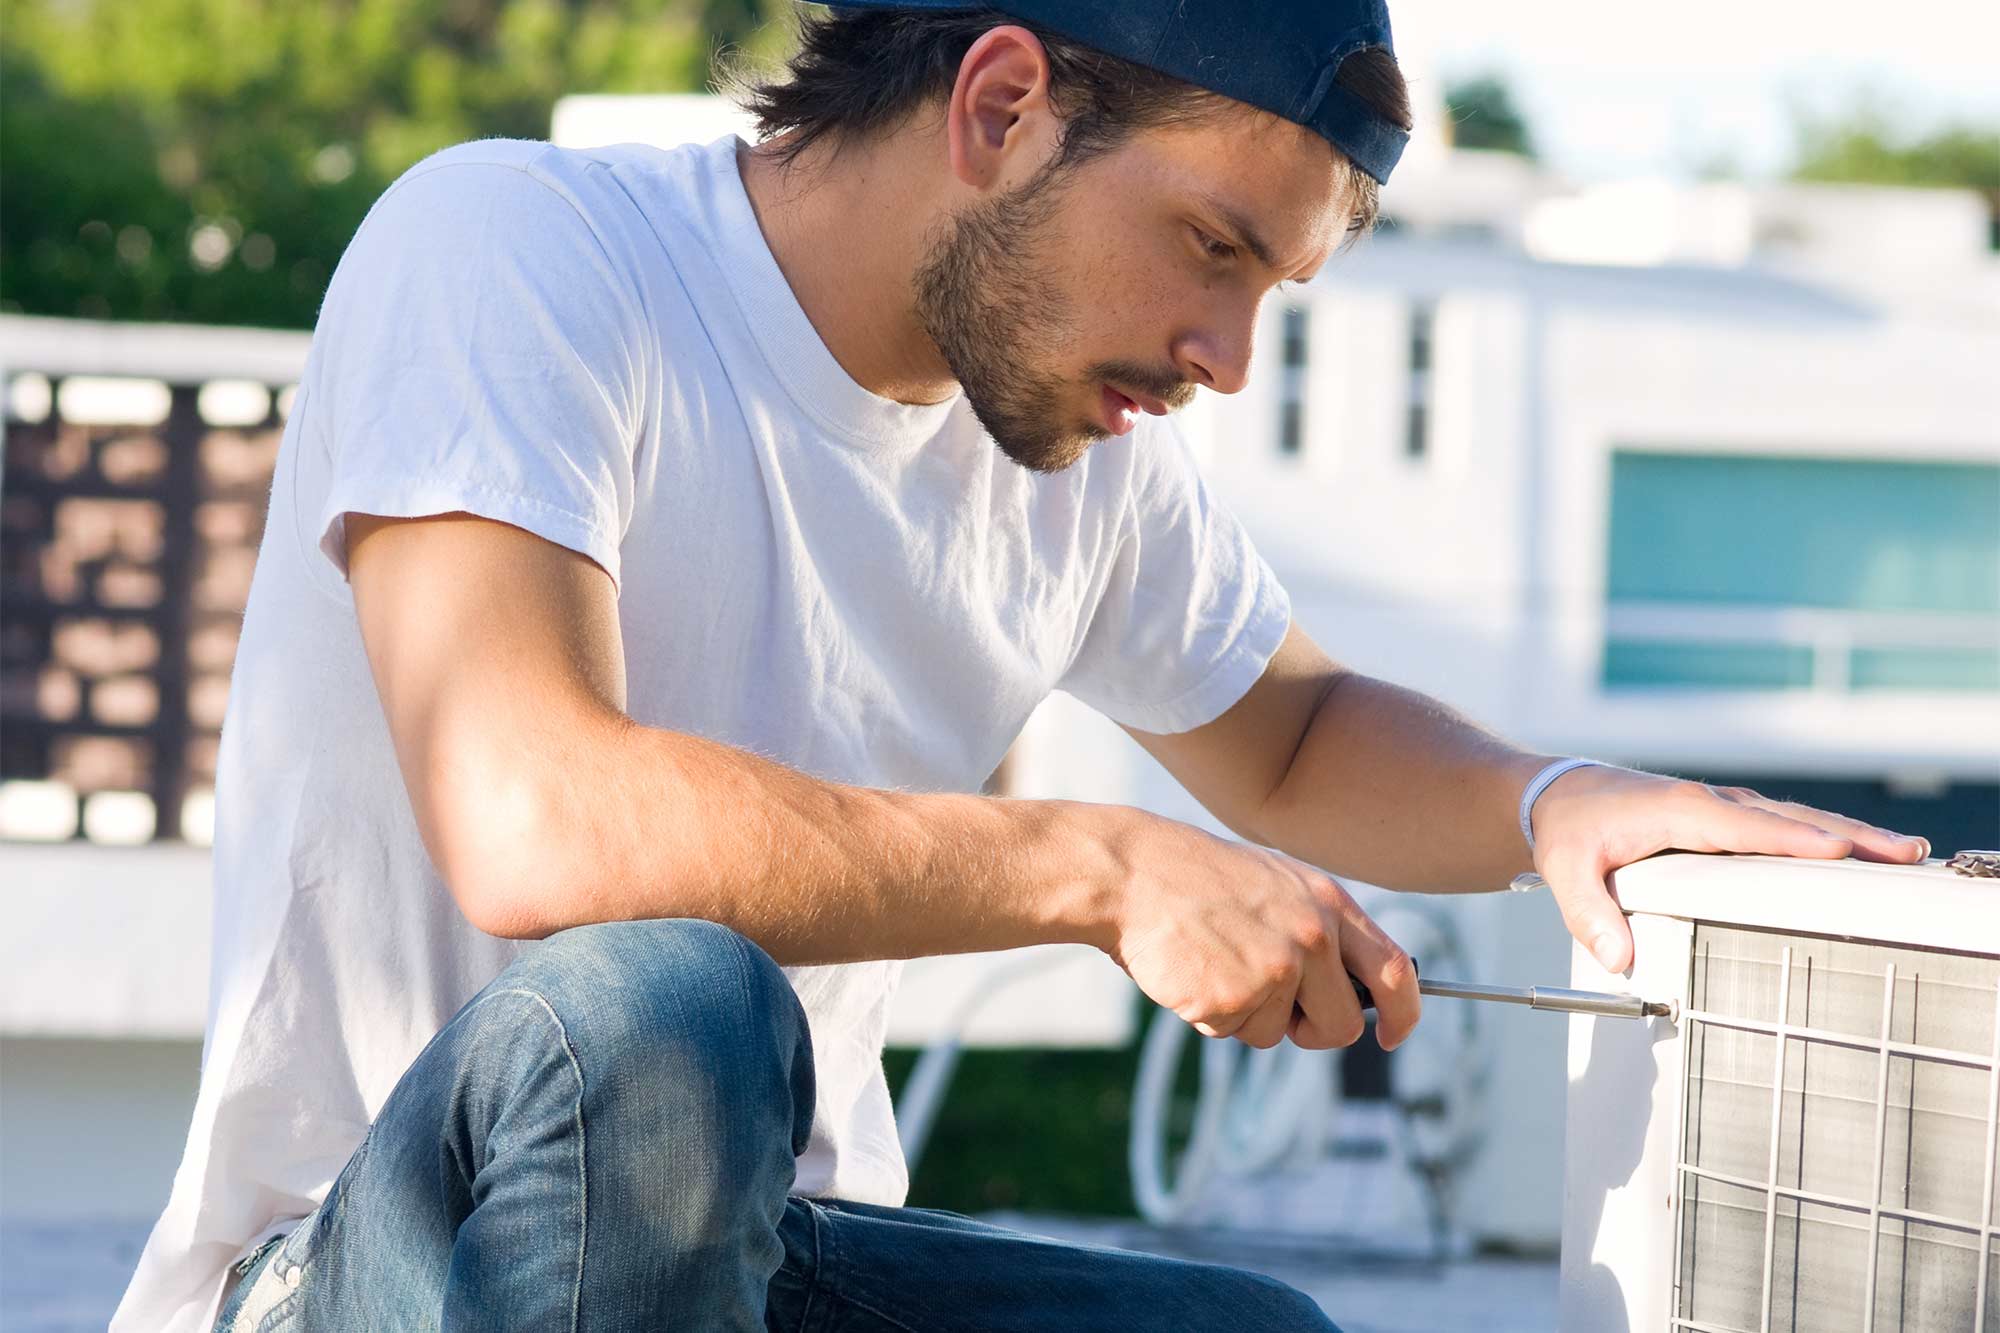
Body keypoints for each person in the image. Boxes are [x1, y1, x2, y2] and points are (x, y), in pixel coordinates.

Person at [113, 1, 1932, 1329]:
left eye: (1270, 295)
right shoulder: (518, 251)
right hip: (385, 1262)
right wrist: (1105, 867)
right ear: (1000, 102)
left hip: (768, 1267)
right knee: (668, 1015)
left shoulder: (1082, 458)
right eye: (1210, 248)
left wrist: (1558, 802)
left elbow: (1291, 736)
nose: (1223, 351)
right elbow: (531, 815)